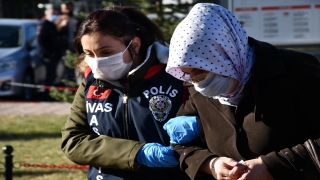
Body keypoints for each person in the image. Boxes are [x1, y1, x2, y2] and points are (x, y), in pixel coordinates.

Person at [163, 3, 320, 180]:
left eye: (201, 71)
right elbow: (181, 146)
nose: (197, 82)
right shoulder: (196, 88)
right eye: (188, 74)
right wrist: (211, 164)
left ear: (224, 55)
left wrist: (272, 166)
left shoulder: (295, 71)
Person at [61, 6, 191, 180]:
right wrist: (137, 153)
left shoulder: (175, 77)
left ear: (134, 45)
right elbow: (73, 141)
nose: (97, 62)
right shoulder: (90, 82)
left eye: (106, 52)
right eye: (89, 54)